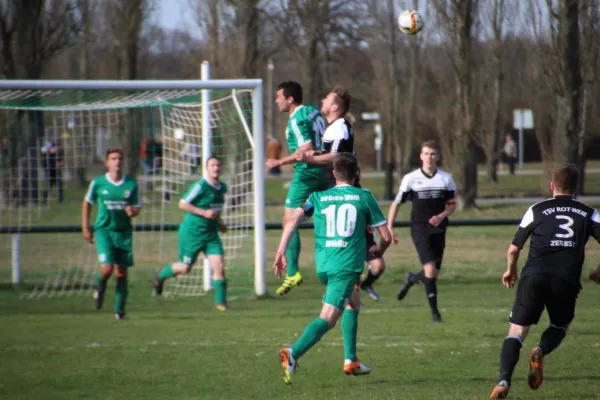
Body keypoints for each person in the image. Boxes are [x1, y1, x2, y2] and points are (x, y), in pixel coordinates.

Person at [275, 153, 392, 385]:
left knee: (353, 302)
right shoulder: (364, 196)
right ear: (357, 173)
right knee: (328, 318)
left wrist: (281, 251)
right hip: (345, 267)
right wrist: (380, 250)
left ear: (333, 173)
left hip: (325, 265)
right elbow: (386, 235)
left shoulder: (317, 196)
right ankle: (293, 353)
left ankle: (351, 361)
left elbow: (291, 221)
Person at [489, 163, 600, 399]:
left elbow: (513, 249)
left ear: (552, 186)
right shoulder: (589, 212)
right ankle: (540, 349)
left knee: (516, 332)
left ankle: (503, 381)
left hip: (534, 276)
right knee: (560, 325)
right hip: (566, 279)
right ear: (577, 187)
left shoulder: (536, 209)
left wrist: (510, 270)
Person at [297, 85, 387, 301]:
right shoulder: (334, 128)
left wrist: (311, 159)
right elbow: (331, 154)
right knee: (369, 259)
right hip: (339, 194)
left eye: (326, 98)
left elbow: (335, 156)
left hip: (347, 195)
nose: (322, 100)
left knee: (366, 256)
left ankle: (353, 291)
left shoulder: (339, 127)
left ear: (335, 106)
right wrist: (315, 154)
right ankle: (353, 291)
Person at [266, 81, 327, 296]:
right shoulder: (313, 111)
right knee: (325, 218)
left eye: (278, 96)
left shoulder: (296, 119)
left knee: (289, 220)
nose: (276, 100)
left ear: (290, 99)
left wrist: (279, 162)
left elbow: (306, 149)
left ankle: (293, 272)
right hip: (326, 168)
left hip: (307, 174)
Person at [388, 140, 456, 323]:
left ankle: (411, 279)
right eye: (426, 154)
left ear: (437, 156)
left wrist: (441, 216)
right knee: (430, 269)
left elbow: (452, 205)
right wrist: (389, 227)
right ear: (420, 156)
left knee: (433, 273)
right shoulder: (411, 179)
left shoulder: (446, 178)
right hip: (419, 228)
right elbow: (396, 203)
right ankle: (435, 314)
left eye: (432, 154)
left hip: (439, 229)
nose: (429, 157)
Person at [153, 156, 229, 311]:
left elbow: (215, 209)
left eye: (218, 165)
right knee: (185, 268)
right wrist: (203, 212)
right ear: (206, 169)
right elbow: (182, 204)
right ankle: (161, 275)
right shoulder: (200, 186)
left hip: (211, 234)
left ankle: (221, 304)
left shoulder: (222, 188)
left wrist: (220, 223)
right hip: (192, 233)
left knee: (219, 266)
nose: (216, 168)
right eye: (212, 165)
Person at [82, 148, 142, 320]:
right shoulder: (99, 183)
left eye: (120, 159)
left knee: (122, 272)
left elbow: (136, 207)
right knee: (107, 268)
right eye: (113, 158)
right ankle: (100, 288)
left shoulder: (131, 184)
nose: (117, 161)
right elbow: (87, 203)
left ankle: (119, 310)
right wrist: (86, 228)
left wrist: (133, 211)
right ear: (107, 163)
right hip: (104, 230)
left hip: (123, 232)